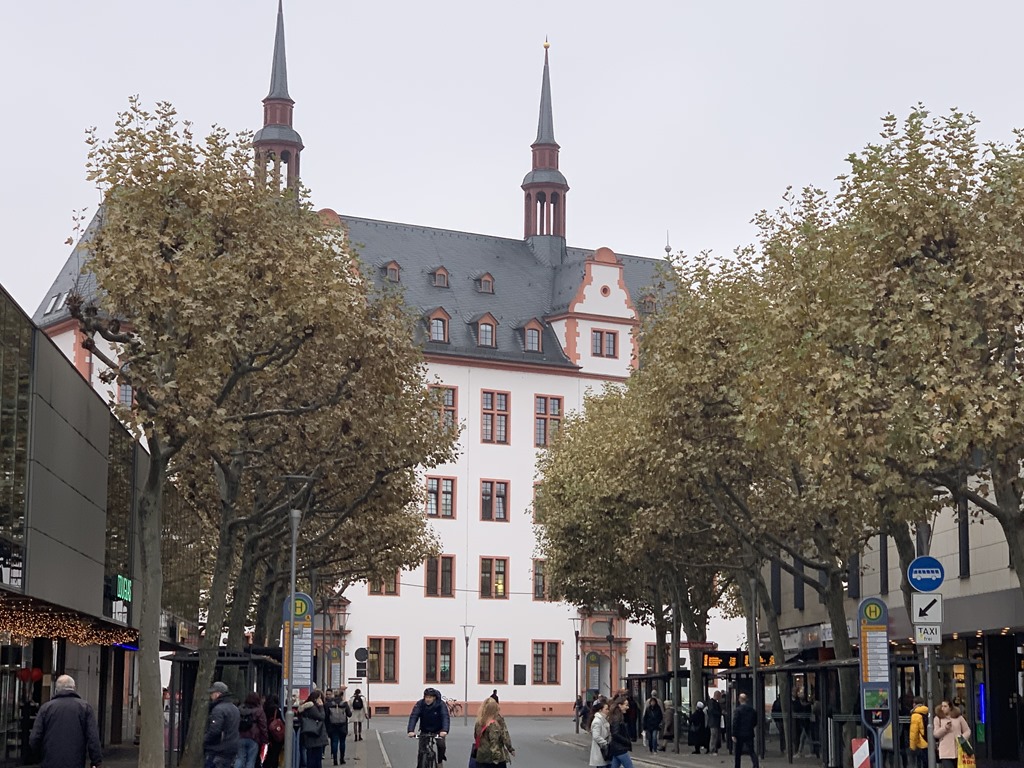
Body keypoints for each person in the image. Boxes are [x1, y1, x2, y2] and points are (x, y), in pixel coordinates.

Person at [28, 674, 103, 768]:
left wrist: (40, 756)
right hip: (75, 762)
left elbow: (35, 738)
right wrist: (96, 761)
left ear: (56, 689)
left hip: (49, 762)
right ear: (74, 688)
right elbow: (93, 738)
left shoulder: (46, 708)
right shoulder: (85, 708)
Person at [407, 687, 449, 767]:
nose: (428, 699)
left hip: (438, 730)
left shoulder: (441, 704)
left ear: (434, 698)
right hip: (425, 730)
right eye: (426, 697)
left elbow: (445, 717)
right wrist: (410, 730)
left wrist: (445, 730)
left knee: (441, 745)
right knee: (421, 751)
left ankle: (440, 761)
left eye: (430, 697)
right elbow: (414, 716)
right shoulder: (420, 704)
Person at [203, 682, 241, 768]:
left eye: (212, 693)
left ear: (218, 694)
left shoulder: (218, 710)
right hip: (231, 748)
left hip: (218, 749)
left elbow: (215, 731)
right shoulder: (234, 708)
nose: (211, 696)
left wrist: (205, 740)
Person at [473, 696, 514, 768]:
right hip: (493, 759)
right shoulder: (494, 723)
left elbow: (476, 736)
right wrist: (509, 749)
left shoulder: (478, 722)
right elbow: (496, 741)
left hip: (481, 756)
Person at [933, 701, 970, 768]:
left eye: (945, 706)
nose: (943, 708)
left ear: (950, 708)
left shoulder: (959, 718)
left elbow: (967, 730)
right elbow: (936, 734)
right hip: (945, 752)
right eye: (942, 706)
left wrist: (962, 738)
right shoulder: (938, 718)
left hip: (959, 751)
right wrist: (945, 728)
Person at [235, 691, 268, 768]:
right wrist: (265, 740)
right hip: (254, 738)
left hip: (240, 737)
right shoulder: (259, 711)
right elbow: (263, 726)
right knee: (251, 761)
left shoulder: (240, 709)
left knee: (240, 759)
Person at [298, 690, 328, 768]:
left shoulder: (307, 707)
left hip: (310, 735)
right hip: (315, 735)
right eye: (319, 698)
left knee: (311, 756)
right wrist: (321, 707)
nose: (320, 700)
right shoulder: (312, 707)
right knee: (316, 758)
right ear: (315, 699)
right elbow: (321, 717)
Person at [606, 694, 635, 768]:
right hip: (620, 748)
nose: (628, 707)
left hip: (617, 748)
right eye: (626, 705)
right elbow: (615, 734)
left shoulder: (617, 716)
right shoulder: (617, 718)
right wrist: (626, 741)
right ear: (620, 705)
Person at [325, 688, 352, 765]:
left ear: (334, 695)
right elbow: (349, 714)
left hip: (333, 726)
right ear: (341, 696)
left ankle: (335, 760)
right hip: (342, 726)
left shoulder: (329, 704)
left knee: (334, 742)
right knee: (342, 742)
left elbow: (326, 716)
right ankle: (342, 759)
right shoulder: (344, 704)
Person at [732, 692, 759, 768]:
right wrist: (750, 727)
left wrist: (734, 734)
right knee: (751, 751)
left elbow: (735, 722)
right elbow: (755, 721)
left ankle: (737, 766)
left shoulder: (738, 710)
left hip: (739, 734)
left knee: (738, 752)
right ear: (746, 699)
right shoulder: (752, 710)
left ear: (739, 700)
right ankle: (756, 765)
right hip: (749, 732)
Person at [263, 694, 285, 768]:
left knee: (268, 752)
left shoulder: (265, 708)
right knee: (275, 753)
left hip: (267, 732)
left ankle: (266, 765)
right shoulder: (277, 709)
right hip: (275, 733)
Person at [907, 696, 929, 768]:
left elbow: (914, 732)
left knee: (922, 763)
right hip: (929, 741)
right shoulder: (928, 712)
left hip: (921, 743)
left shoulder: (915, 715)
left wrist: (912, 747)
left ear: (914, 704)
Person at [589, 699, 611, 768]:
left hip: (604, 750)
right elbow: (596, 736)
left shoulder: (604, 719)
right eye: (606, 709)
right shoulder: (597, 721)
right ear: (600, 710)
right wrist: (605, 743)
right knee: (602, 765)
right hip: (601, 749)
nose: (608, 711)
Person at [707, 691, 723, 755]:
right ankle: (712, 749)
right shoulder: (712, 703)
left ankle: (714, 749)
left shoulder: (714, 702)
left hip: (715, 722)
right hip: (713, 722)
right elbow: (712, 711)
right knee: (714, 736)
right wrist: (719, 713)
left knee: (715, 736)